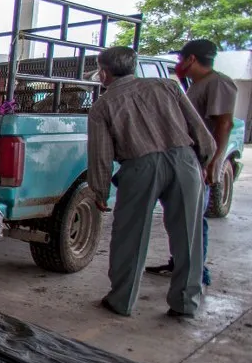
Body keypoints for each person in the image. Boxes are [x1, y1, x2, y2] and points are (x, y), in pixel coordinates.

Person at [86, 46, 215, 318]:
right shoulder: (167, 86)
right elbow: (200, 131)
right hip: (184, 160)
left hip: (139, 166)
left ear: (104, 72)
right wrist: (201, 162)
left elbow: (101, 155)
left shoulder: (102, 106)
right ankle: (185, 304)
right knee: (188, 235)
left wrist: (100, 191)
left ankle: (121, 301)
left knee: (130, 235)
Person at [145, 39, 237, 286]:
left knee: (194, 221)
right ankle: (180, 264)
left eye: (180, 59)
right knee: (180, 217)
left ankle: (196, 272)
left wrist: (211, 164)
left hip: (200, 163)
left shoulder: (218, 83)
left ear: (191, 59)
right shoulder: (197, 84)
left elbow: (223, 124)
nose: (178, 64)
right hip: (187, 161)